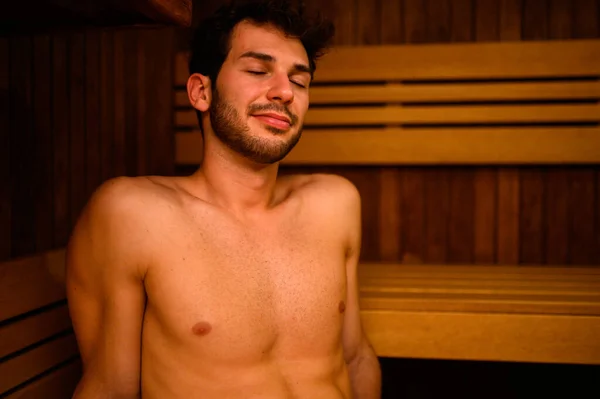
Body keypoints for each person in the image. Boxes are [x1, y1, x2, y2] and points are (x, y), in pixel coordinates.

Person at [65, 0, 381, 397]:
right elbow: (111, 388)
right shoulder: (135, 214)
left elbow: (356, 358)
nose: (285, 91)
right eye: (257, 70)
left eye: (299, 81)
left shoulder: (334, 204)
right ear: (201, 91)